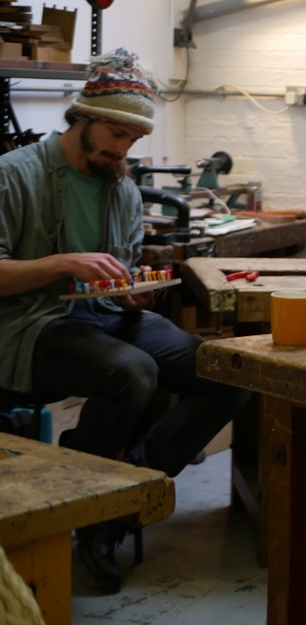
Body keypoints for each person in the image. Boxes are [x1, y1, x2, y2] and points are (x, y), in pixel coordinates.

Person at [0, 48, 251, 594]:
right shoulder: (13, 175)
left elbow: (120, 273)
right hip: (34, 323)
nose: (123, 149)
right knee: (133, 372)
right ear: (83, 117)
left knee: (229, 373)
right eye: (116, 134)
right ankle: (92, 517)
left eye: (133, 139)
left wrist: (134, 292)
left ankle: (124, 496)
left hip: (108, 314)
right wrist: (64, 263)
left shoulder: (124, 189)